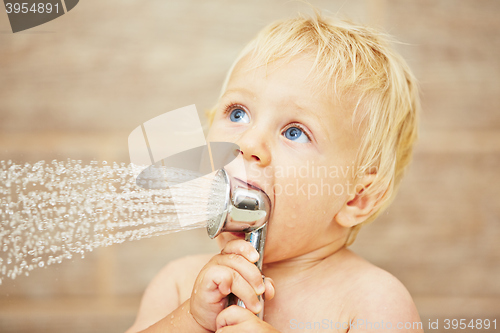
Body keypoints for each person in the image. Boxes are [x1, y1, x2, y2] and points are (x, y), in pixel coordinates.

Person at [126, 11, 423, 333]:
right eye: (238, 113)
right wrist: (191, 320)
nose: (249, 141)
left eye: (294, 132)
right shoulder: (179, 284)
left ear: (357, 197)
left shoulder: (372, 303)